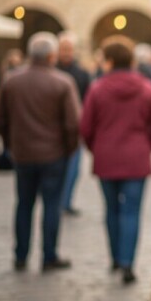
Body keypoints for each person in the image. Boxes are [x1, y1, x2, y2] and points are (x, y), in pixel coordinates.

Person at [81, 35, 151, 284]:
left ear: (108, 61)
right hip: (136, 157)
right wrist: (148, 145)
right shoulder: (146, 87)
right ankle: (128, 262)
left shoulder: (97, 88)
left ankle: (115, 258)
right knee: (131, 212)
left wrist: (95, 147)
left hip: (106, 156)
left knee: (111, 209)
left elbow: (86, 127)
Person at [0, 32, 80, 273]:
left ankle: (21, 254)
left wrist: (11, 145)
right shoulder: (62, 82)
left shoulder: (12, 81)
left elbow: (0, 120)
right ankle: (49, 255)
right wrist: (68, 150)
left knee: (24, 204)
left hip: (23, 154)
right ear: (52, 55)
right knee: (51, 205)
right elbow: (73, 124)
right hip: (54, 155)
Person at [56, 32, 91, 216]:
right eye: (63, 48)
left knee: (73, 168)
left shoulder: (82, 74)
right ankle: (56, 200)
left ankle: (66, 201)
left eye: (68, 49)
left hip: (75, 128)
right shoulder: (51, 70)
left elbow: (88, 100)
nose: (66, 52)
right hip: (52, 128)